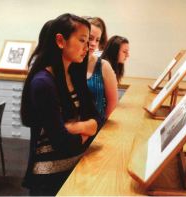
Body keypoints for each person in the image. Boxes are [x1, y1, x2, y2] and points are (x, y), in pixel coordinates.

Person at [20, 13, 102, 196]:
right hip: (49, 179)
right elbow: (63, 143)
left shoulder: (73, 74)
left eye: (88, 41)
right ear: (60, 41)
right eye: (82, 40)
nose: (87, 47)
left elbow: (99, 118)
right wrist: (89, 130)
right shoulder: (44, 82)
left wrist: (80, 126)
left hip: (76, 166)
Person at [85, 16, 118, 121]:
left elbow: (112, 101)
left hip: (96, 128)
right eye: (90, 38)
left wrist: (101, 123)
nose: (94, 44)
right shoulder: (70, 64)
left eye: (97, 40)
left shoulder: (104, 66)